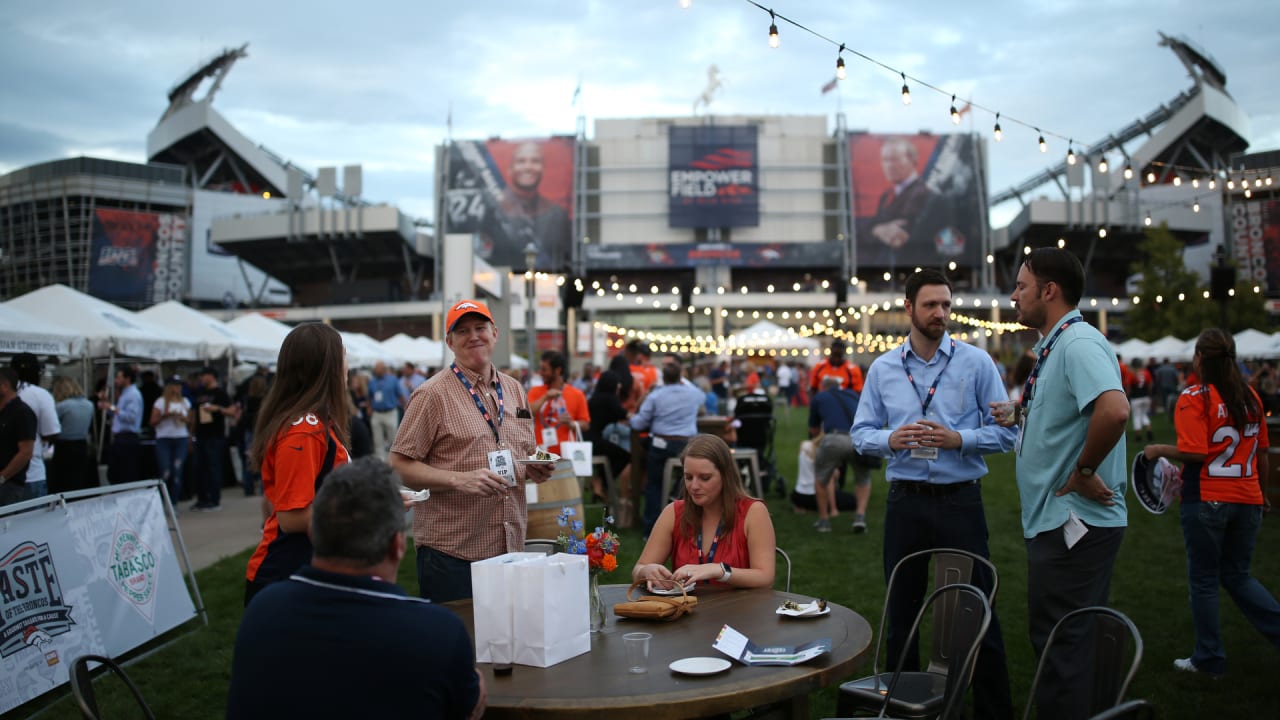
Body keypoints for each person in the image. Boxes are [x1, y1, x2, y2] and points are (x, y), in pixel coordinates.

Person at [852, 268, 1017, 720]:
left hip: (960, 499)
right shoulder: (884, 367)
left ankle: (993, 710)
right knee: (900, 611)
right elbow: (860, 433)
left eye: (946, 305)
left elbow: (1008, 434)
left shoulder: (976, 362)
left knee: (977, 608)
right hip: (906, 501)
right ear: (908, 308)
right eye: (931, 305)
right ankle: (901, 709)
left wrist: (958, 440)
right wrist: (892, 440)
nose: (941, 313)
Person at [226, 457, 486, 720]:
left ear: (312, 534)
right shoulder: (438, 633)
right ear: (397, 545)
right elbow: (470, 707)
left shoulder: (263, 611)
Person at [1002, 248, 1128, 720]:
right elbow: (1068, 413)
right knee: (1067, 644)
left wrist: (1086, 470)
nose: (1013, 296)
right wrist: (1020, 414)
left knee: (1064, 649)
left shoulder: (1077, 343)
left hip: (1073, 524)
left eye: (1021, 286)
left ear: (1049, 291)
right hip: (1059, 522)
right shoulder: (1058, 343)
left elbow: (1114, 410)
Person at [389, 299, 554, 603]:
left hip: (509, 546)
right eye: (462, 330)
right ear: (449, 342)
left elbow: (521, 450)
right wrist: (459, 479)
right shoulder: (431, 395)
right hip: (453, 553)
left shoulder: (514, 389)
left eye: (480, 328)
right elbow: (398, 465)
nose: (474, 336)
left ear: (495, 333)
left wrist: (533, 467)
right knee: (458, 647)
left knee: (507, 645)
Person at [1143, 329, 1280, 676]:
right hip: (1247, 496)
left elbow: (1194, 452)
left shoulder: (1195, 397)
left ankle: (1208, 658)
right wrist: (1262, 494)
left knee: (1204, 579)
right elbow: (1261, 454)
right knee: (1239, 576)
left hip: (1208, 497)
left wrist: (1158, 449)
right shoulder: (1250, 397)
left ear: (1200, 358)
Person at [244, 323, 352, 606]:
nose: (348, 365)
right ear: (326, 366)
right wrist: (367, 508)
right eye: (343, 355)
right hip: (287, 573)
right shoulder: (305, 429)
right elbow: (291, 518)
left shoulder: (314, 423)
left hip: (308, 567)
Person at [632, 434, 776, 589]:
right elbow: (638, 569)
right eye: (688, 477)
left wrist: (720, 571)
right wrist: (646, 571)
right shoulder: (674, 512)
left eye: (705, 478)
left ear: (726, 476)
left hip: (740, 610)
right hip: (686, 609)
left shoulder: (753, 512)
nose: (694, 486)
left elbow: (765, 576)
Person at [629, 357, 707, 535]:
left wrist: (631, 418)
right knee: (685, 481)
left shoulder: (656, 395)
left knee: (654, 484)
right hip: (687, 446)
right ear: (681, 377)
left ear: (663, 378)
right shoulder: (693, 393)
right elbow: (702, 399)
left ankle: (650, 529)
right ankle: (686, 521)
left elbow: (638, 424)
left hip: (662, 444)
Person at [478, 141, 571, 271]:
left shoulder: (558, 215)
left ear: (543, 169)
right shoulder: (490, 210)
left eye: (535, 161)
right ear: (510, 169)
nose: (528, 167)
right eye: (521, 161)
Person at [809, 374, 872, 533]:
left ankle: (824, 521)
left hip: (834, 439)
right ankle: (860, 517)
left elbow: (814, 429)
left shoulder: (820, 397)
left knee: (821, 479)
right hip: (858, 438)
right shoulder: (852, 394)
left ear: (823, 386)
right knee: (863, 478)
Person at [863, 137, 937, 266]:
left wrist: (877, 229)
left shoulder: (925, 195)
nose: (889, 165)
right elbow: (871, 227)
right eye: (885, 160)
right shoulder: (886, 196)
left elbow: (904, 230)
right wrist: (878, 229)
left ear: (913, 161)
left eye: (895, 159)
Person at [10, 353, 59, 498]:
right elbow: (52, 431)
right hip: (32, 474)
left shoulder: (6, 394)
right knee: (35, 519)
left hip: (7, 476)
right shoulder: (40, 394)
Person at [528, 351, 590, 457]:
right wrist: (545, 397)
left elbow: (585, 424)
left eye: (544, 369)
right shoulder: (535, 391)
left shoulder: (577, 394)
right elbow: (527, 413)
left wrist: (571, 424)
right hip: (541, 453)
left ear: (557, 370)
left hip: (566, 454)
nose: (541, 373)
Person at [191, 366, 236, 511]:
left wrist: (217, 409)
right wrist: (191, 434)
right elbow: (194, 414)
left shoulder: (220, 393)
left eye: (203, 376)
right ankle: (202, 498)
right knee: (199, 468)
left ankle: (214, 500)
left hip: (215, 436)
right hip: (200, 435)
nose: (201, 379)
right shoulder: (200, 392)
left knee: (213, 467)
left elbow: (232, 411)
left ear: (211, 376)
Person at [98, 365, 143, 486]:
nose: (116, 381)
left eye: (119, 377)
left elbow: (130, 417)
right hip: (120, 437)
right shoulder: (125, 394)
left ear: (127, 379)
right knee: (115, 473)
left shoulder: (133, 394)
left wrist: (111, 407)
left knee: (125, 473)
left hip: (127, 437)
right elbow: (118, 414)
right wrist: (107, 406)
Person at [150, 376, 191, 504]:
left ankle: (174, 502)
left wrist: (183, 418)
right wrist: (165, 416)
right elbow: (152, 421)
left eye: (179, 385)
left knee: (177, 471)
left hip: (181, 437)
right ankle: (162, 500)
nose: (178, 388)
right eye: (175, 385)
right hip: (164, 438)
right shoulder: (160, 402)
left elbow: (190, 420)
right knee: (166, 470)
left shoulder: (185, 401)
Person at [50, 376, 94, 493]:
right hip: (82, 446)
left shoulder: (62, 406)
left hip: (64, 448)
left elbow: (52, 426)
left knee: (64, 484)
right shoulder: (89, 405)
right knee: (79, 481)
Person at [0, 367, 37, 506]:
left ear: (4, 386)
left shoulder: (21, 412)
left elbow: (26, 452)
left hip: (9, 485)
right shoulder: (4, 412)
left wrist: (2, 477)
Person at [368, 361, 404, 457]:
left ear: (384, 369)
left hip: (390, 412)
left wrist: (406, 407)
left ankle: (394, 462)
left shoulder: (393, 380)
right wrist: (369, 408)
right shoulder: (372, 382)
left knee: (393, 439)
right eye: (375, 368)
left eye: (378, 368)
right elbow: (369, 396)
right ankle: (380, 463)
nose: (376, 370)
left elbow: (400, 395)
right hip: (377, 413)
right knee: (377, 440)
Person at [1128, 357, 1154, 441]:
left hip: (1136, 398)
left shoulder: (1131, 374)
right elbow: (1150, 384)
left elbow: (1129, 387)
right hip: (1146, 397)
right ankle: (1149, 431)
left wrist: (1127, 395)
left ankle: (1138, 436)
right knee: (1144, 415)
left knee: (1136, 416)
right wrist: (1149, 394)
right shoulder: (1146, 372)